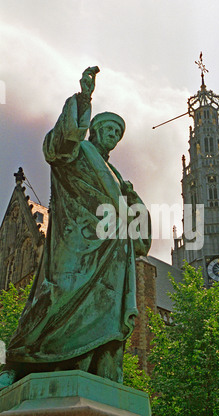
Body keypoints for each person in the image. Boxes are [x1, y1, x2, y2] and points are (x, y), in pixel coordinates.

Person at [0, 67, 151, 389]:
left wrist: (134, 201)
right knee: (56, 295)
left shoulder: (118, 178)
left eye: (117, 132)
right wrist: (84, 99)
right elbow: (58, 148)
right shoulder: (79, 152)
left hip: (111, 259)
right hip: (77, 243)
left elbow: (140, 242)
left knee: (104, 317)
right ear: (93, 130)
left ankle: (90, 369)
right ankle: (21, 362)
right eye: (107, 128)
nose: (112, 135)